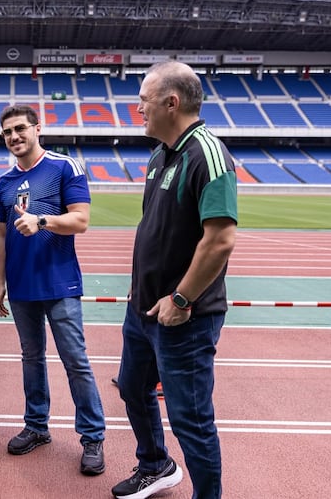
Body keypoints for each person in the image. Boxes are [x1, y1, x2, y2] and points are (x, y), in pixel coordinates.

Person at [111, 61, 237, 499]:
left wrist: (181, 299)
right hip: (142, 310)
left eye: (143, 99)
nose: (137, 107)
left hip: (185, 318)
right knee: (132, 388)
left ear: (172, 102)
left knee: (191, 419)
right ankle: (156, 465)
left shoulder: (208, 153)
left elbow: (220, 240)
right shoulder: (160, 155)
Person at [0, 104, 107, 476]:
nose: (14, 137)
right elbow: (3, 234)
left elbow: (81, 220)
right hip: (22, 286)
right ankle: (37, 426)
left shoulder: (64, 167)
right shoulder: (4, 182)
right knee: (31, 359)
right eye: (8, 132)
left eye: (21, 128)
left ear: (37, 128)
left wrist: (42, 220)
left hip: (60, 284)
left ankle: (92, 437)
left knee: (75, 360)